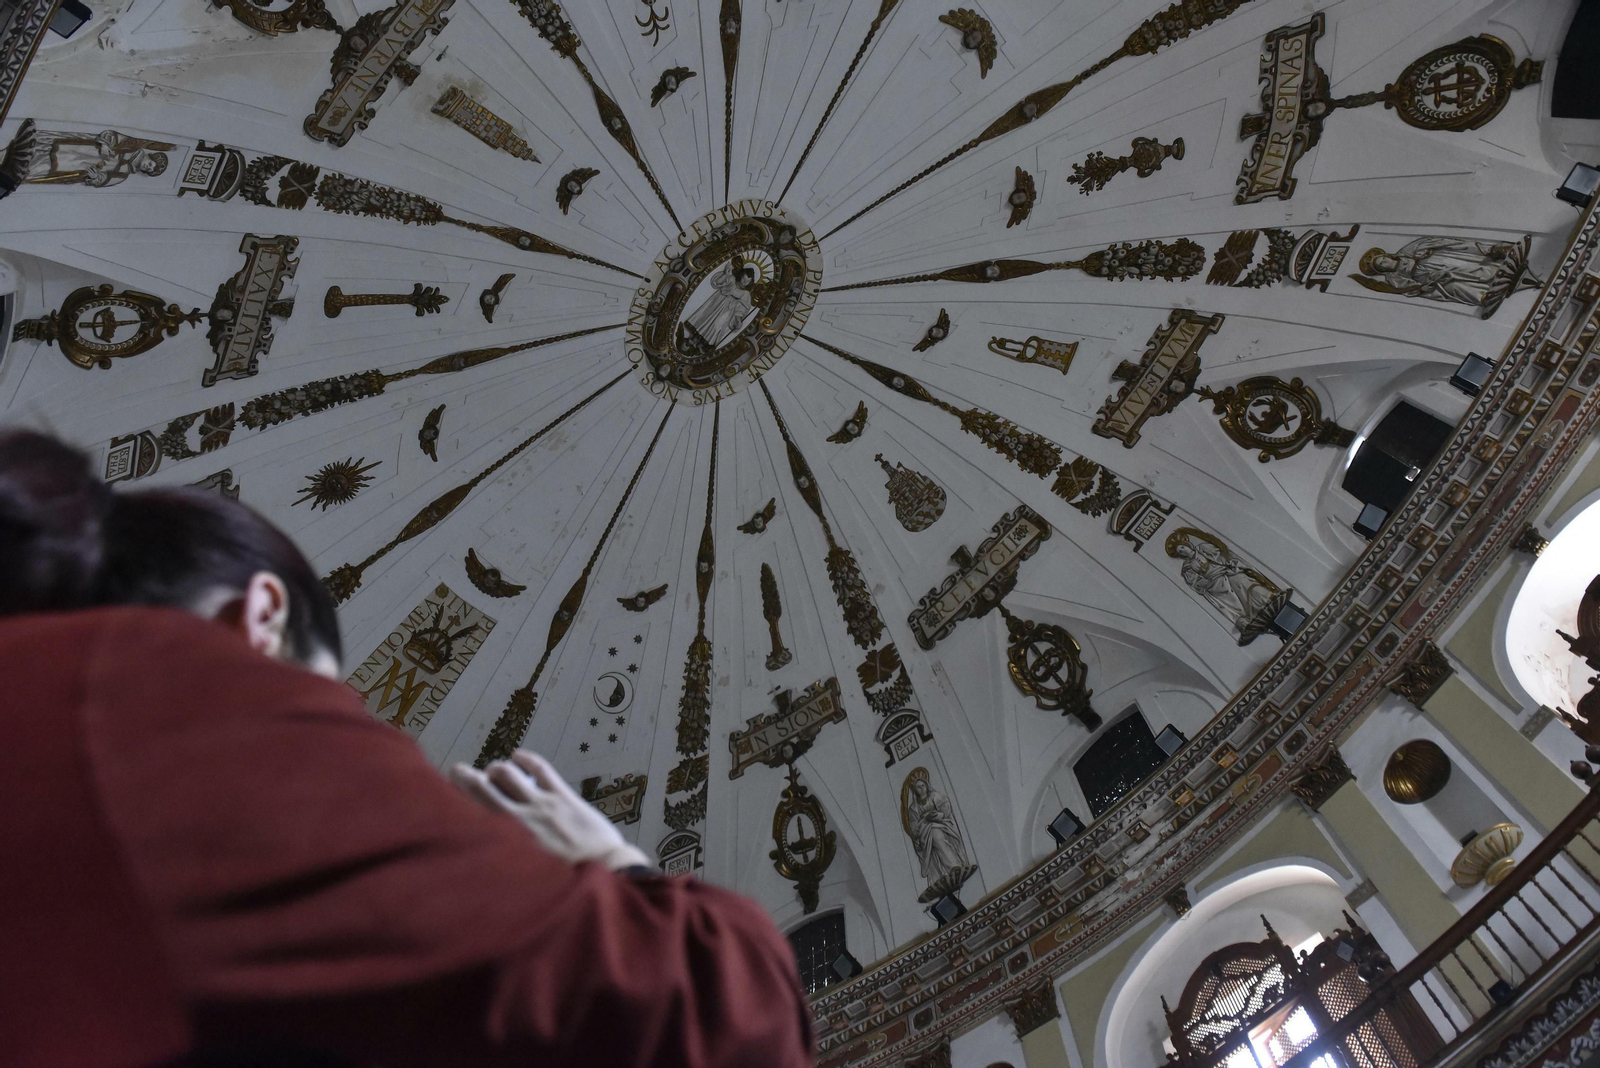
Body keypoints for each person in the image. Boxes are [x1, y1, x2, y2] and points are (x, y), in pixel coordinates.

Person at [0, 429, 812, 1068]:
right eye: (324, 695)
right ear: (262, 618)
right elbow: (718, 1026)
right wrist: (615, 867)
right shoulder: (195, 708)